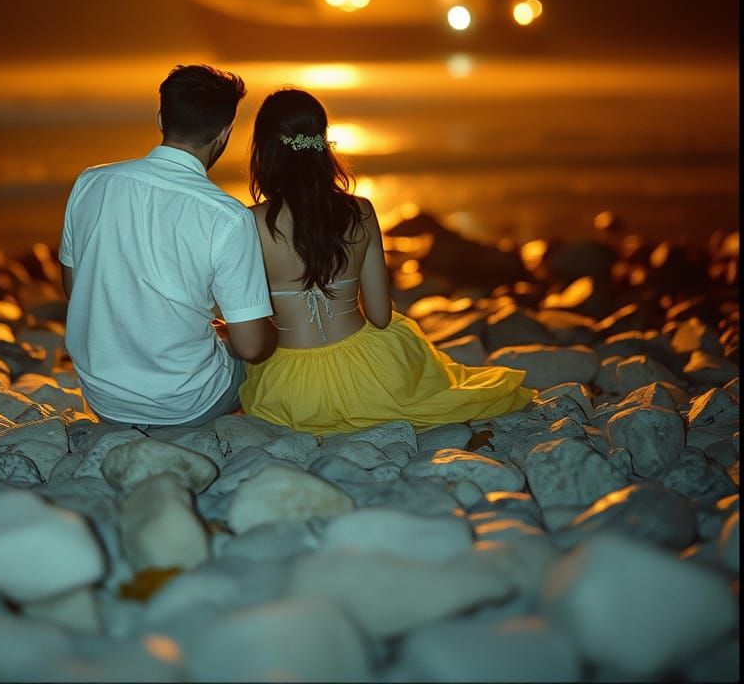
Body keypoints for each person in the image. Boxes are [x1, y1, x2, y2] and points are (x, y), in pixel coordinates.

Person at [239, 88, 535, 436]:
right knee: (412, 349)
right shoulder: (360, 211)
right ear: (321, 143)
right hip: (370, 377)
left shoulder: (249, 223)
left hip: (288, 388)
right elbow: (379, 315)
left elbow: (249, 324)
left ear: (265, 151)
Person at [60, 64, 276, 429]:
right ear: (224, 134)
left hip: (104, 397)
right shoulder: (227, 216)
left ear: (161, 118)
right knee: (268, 346)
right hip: (187, 403)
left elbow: (73, 287)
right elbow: (252, 347)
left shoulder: (91, 182)